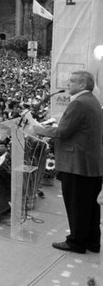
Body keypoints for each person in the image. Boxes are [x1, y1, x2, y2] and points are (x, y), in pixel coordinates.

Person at [31, 70, 103, 254]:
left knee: (77, 205)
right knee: (91, 206)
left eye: (71, 81)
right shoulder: (92, 100)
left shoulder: (78, 103)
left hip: (77, 163)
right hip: (91, 163)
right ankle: (92, 241)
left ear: (82, 84)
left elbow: (63, 132)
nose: (67, 83)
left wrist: (38, 129)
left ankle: (76, 242)